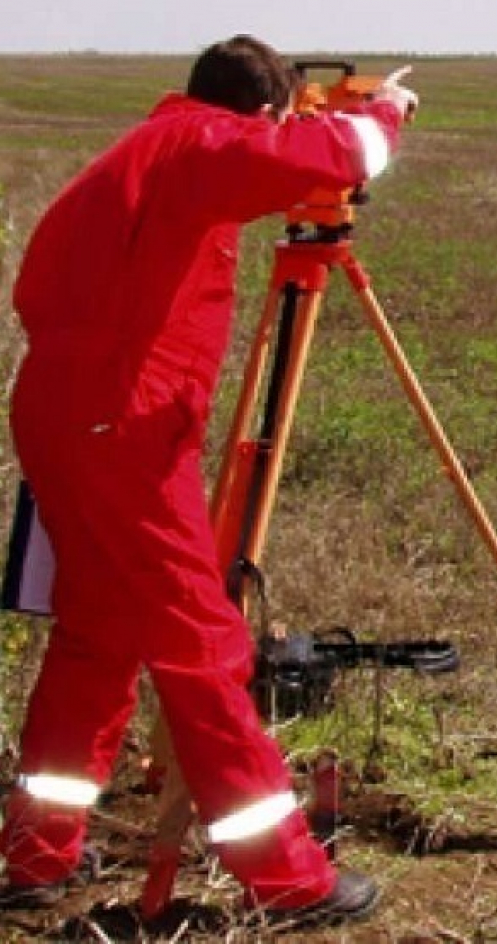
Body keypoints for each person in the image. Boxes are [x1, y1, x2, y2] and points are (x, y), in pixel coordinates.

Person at [0, 34, 417, 926]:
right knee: (201, 643)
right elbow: (333, 156)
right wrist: (380, 112)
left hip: (70, 412)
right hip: (123, 424)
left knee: (97, 638)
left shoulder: (148, 148)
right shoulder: (197, 145)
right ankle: (286, 878)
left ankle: (37, 853)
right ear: (259, 116)